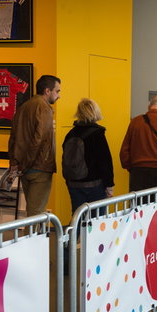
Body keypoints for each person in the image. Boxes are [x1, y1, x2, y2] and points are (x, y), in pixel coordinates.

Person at [8, 75, 61, 216]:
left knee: (33, 210)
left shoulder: (23, 107)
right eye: (57, 91)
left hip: (25, 168)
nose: (59, 96)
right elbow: (40, 139)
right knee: (36, 213)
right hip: (39, 167)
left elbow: (13, 138)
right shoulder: (44, 108)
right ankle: (31, 238)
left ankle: (37, 237)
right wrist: (27, 163)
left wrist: (16, 163)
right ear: (47, 91)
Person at [62, 98, 114, 213]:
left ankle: (77, 232)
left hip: (73, 183)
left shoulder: (70, 134)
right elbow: (104, 161)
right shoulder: (98, 134)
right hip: (94, 185)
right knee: (95, 220)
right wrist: (109, 185)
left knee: (78, 217)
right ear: (95, 112)